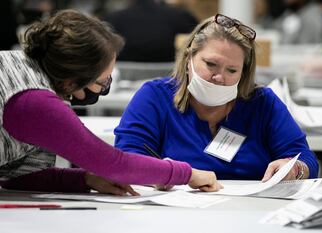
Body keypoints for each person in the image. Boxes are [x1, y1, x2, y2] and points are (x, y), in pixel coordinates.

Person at [0, 10, 221, 195]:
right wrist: (187, 173)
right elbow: (114, 163)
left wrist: (86, 179)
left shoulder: (26, 71)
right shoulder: (34, 101)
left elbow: (17, 177)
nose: (105, 87)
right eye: (102, 81)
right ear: (71, 80)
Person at [114, 14, 319, 181]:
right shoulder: (155, 97)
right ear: (188, 59)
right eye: (211, 64)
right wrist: (167, 175)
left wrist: (295, 169)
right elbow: (128, 160)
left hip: (250, 213)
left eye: (232, 70)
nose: (219, 77)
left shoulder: (262, 103)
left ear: (243, 73)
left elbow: (306, 159)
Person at [104, 0, 198, 62]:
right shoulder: (178, 15)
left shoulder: (113, 17)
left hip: (124, 77)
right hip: (165, 75)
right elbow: (200, 33)